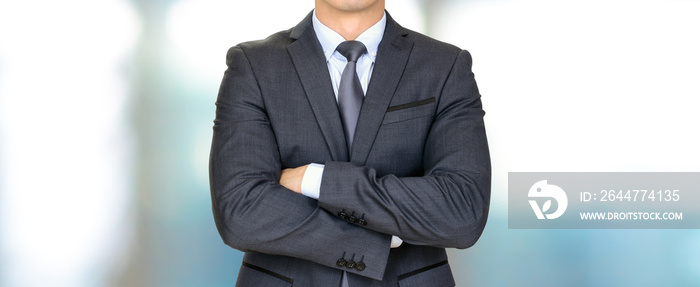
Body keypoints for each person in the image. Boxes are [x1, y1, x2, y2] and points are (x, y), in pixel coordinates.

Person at [209, 0, 491, 285]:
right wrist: (375, 243)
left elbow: (462, 210)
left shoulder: (445, 66)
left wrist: (317, 180)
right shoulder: (254, 65)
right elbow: (240, 212)